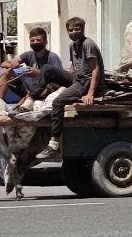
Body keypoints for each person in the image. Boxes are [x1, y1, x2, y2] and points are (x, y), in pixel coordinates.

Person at [36, 17, 105, 160]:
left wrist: (90, 93)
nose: (74, 32)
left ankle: (54, 144)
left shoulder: (88, 44)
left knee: (58, 102)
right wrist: (64, 84)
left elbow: (95, 69)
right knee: (47, 69)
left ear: (83, 29)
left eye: (77, 29)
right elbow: (73, 67)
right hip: (77, 79)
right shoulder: (72, 45)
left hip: (86, 82)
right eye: (71, 30)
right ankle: (33, 95)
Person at [0, 27, 63, 102]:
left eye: (38, 40)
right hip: (28, 87)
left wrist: (38, 74)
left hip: (45, 91)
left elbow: (59, 82)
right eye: (32, 40)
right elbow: (3, 64)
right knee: (5, 71)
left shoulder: (52, 57)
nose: (35, 42)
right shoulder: (28, 55)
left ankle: (28, 99)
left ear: (45, 42)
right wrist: (11, 65)